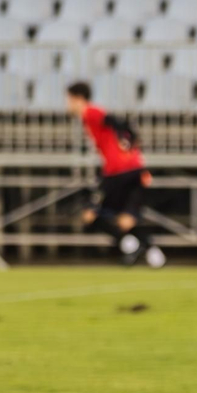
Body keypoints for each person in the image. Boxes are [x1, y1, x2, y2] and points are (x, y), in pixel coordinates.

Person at [65, 82, 165, 268]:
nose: (67, 104)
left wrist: (130, 136)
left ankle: (130, 245)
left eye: (68, 99)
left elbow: (115, 121)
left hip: (118, 172)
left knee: (91, 214)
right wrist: (128, 138)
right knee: (123, 219)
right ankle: (150, 250)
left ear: (77, 99)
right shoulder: (89, 117)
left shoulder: (91, 112)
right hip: (130, 169)